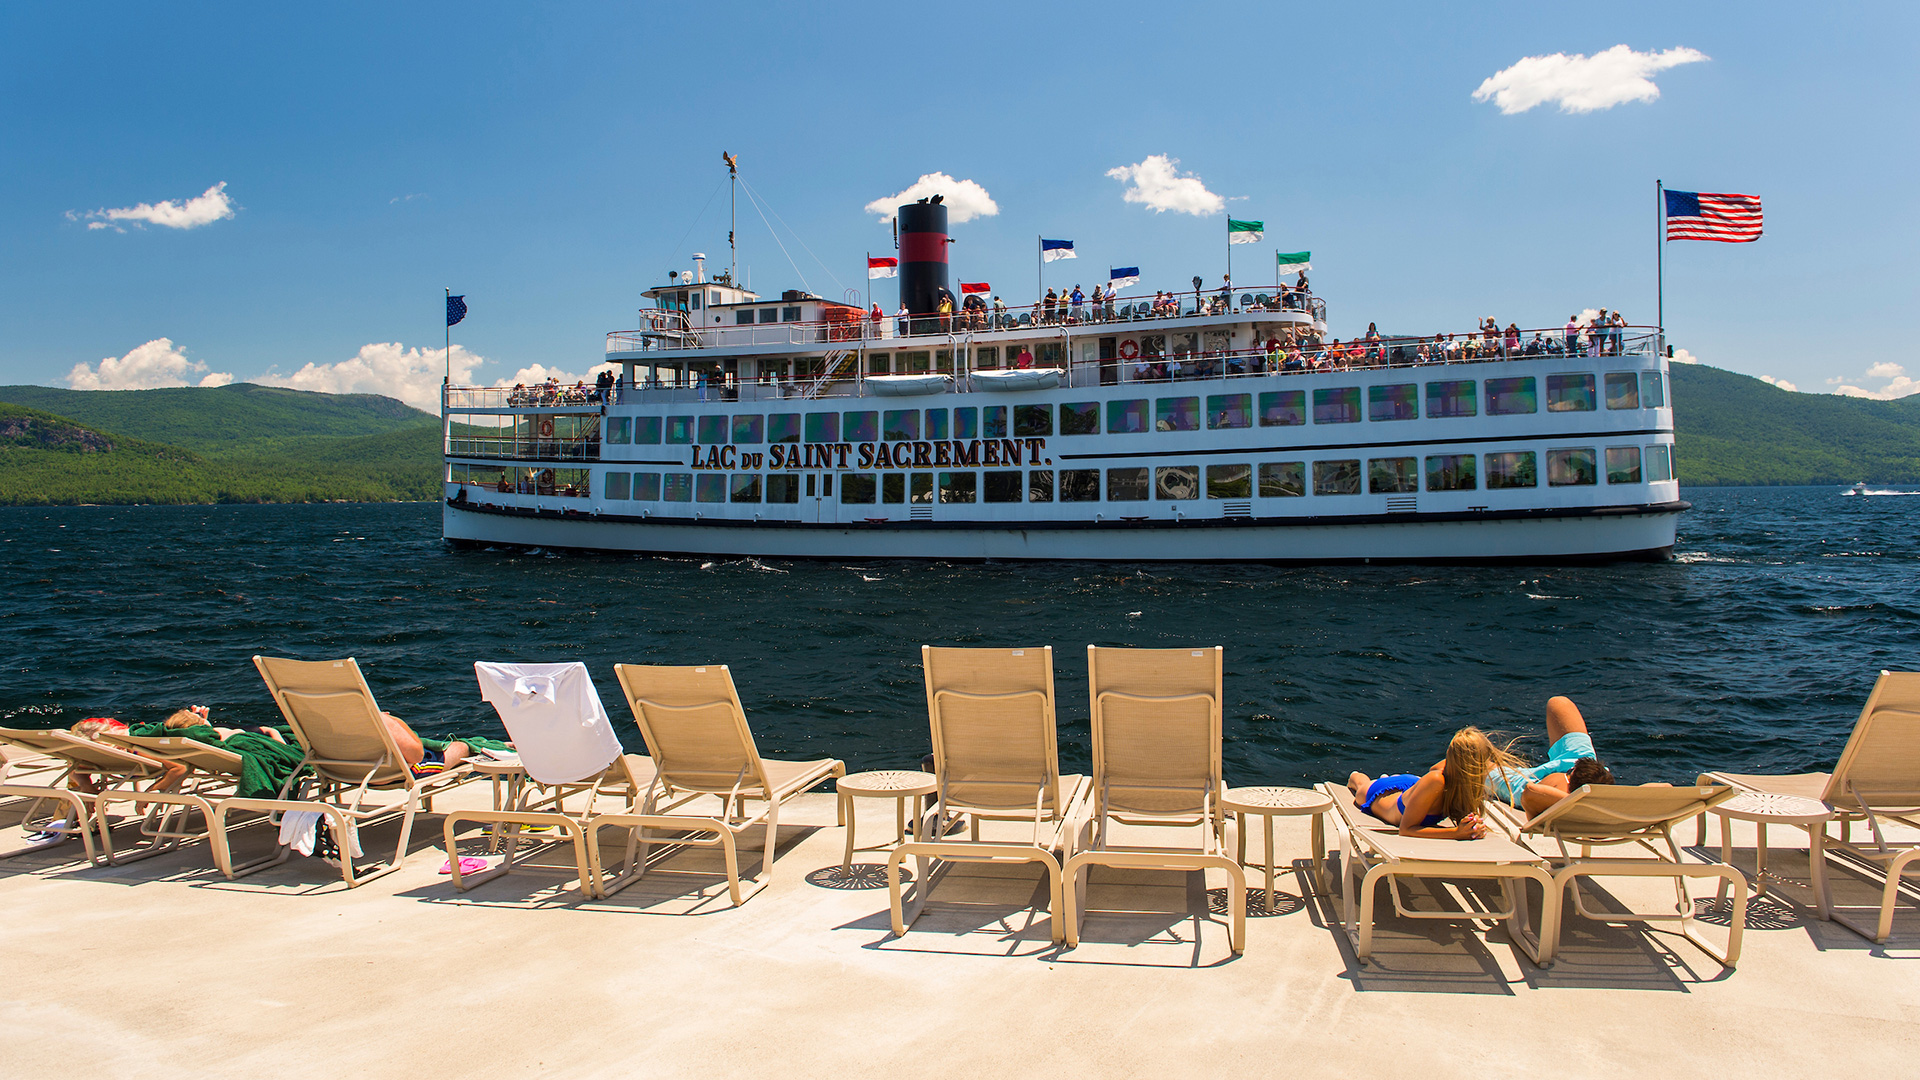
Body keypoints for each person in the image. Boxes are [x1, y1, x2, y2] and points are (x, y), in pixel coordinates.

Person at [1345, 727, 1521, 839]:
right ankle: (1357, 775)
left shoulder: (1462, 780)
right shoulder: (1437, 780)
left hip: (1417, 788)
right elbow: (1406, 830)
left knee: (1419, 784)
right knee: (1361, 789)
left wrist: (1472, 825)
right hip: (1383, 795)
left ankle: (1391, 779)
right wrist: (1456, 833)